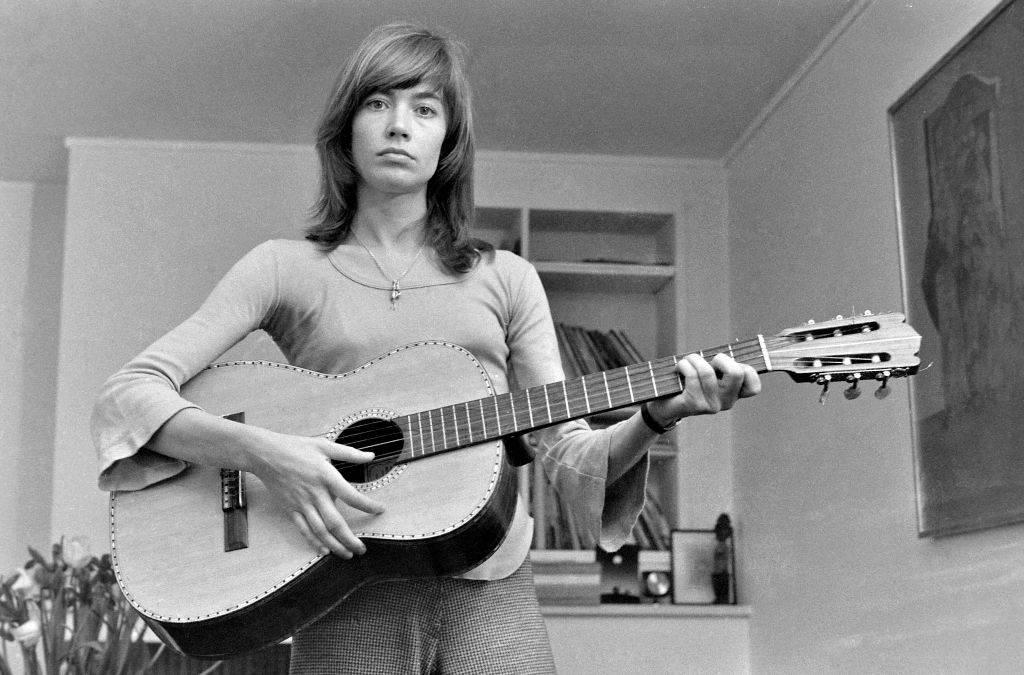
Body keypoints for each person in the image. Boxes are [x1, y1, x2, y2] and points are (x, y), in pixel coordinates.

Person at [91, 22, 760, 675]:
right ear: (344, 133)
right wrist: (266, 453)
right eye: (377, 103)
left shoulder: (507, 278)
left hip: (491, 580)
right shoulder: (280, 268)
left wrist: (658, 414)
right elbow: (129, 394)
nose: (398, 124)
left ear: (449, 140)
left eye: (425, 107)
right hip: (344, 583)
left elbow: (566, 452)